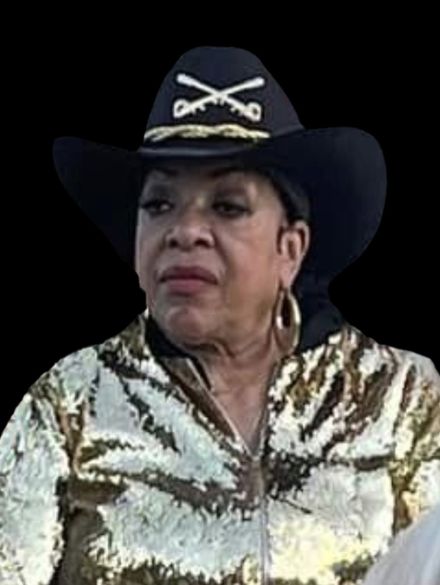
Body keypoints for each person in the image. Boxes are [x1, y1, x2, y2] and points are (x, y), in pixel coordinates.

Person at [0, 46, 439, 585]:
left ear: (291, 248)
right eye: (159, 204)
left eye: (228, 206)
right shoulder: (69, 403)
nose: (184, 231)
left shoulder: (402, 400)